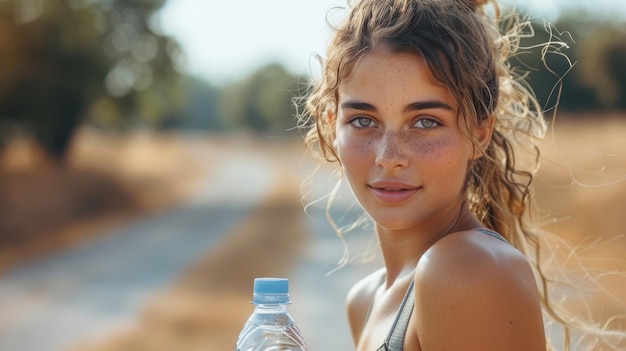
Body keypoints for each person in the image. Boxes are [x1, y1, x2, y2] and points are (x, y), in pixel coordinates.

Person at [298, 0, 625, 350]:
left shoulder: (465, 270)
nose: (388, 157)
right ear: (332, 124)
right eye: (363, 121)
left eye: (426, 121)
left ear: (479, 133)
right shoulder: (363, 302)